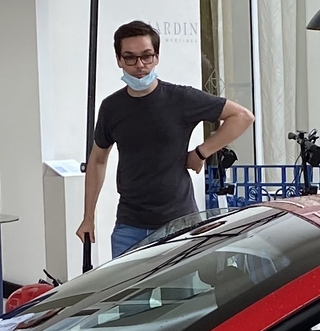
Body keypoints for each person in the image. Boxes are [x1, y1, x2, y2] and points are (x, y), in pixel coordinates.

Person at [77, 20, 254, 258]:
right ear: (119, 60)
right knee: (131, 295)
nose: (139, 65)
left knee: (183, 295)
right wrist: (88, 218)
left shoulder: (181, 99)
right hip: (130, 225)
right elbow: (98, 160)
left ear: (157, 57)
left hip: (179, 223)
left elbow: (242, 116)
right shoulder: (112, 107)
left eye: (147, 56)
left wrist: (201, 152)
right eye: (130, 58)